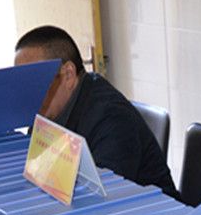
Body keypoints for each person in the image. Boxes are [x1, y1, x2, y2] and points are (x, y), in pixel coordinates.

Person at [14, 25, 179, 199]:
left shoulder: (111, 118)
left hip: (153, 211)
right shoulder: (47, 112)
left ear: (68, 75)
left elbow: (102, 196)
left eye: (34, 81)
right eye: (20, 83)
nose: (25, 94)